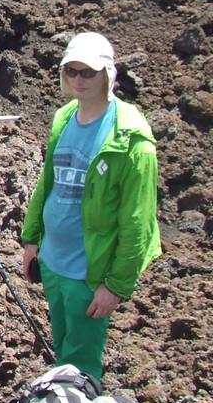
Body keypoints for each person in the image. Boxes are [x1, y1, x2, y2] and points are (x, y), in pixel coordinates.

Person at [20, 32, 161, 381]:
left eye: (88, 72)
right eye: (71, 71)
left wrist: (115, 286)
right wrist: (31, 238)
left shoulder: (132, 142)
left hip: (89, 272)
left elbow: (137, 222)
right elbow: (48, 183)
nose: (78, 80)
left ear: (107, 75)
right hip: (53, 261)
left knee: (81, 362)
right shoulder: (64, 118)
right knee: (62, 344)